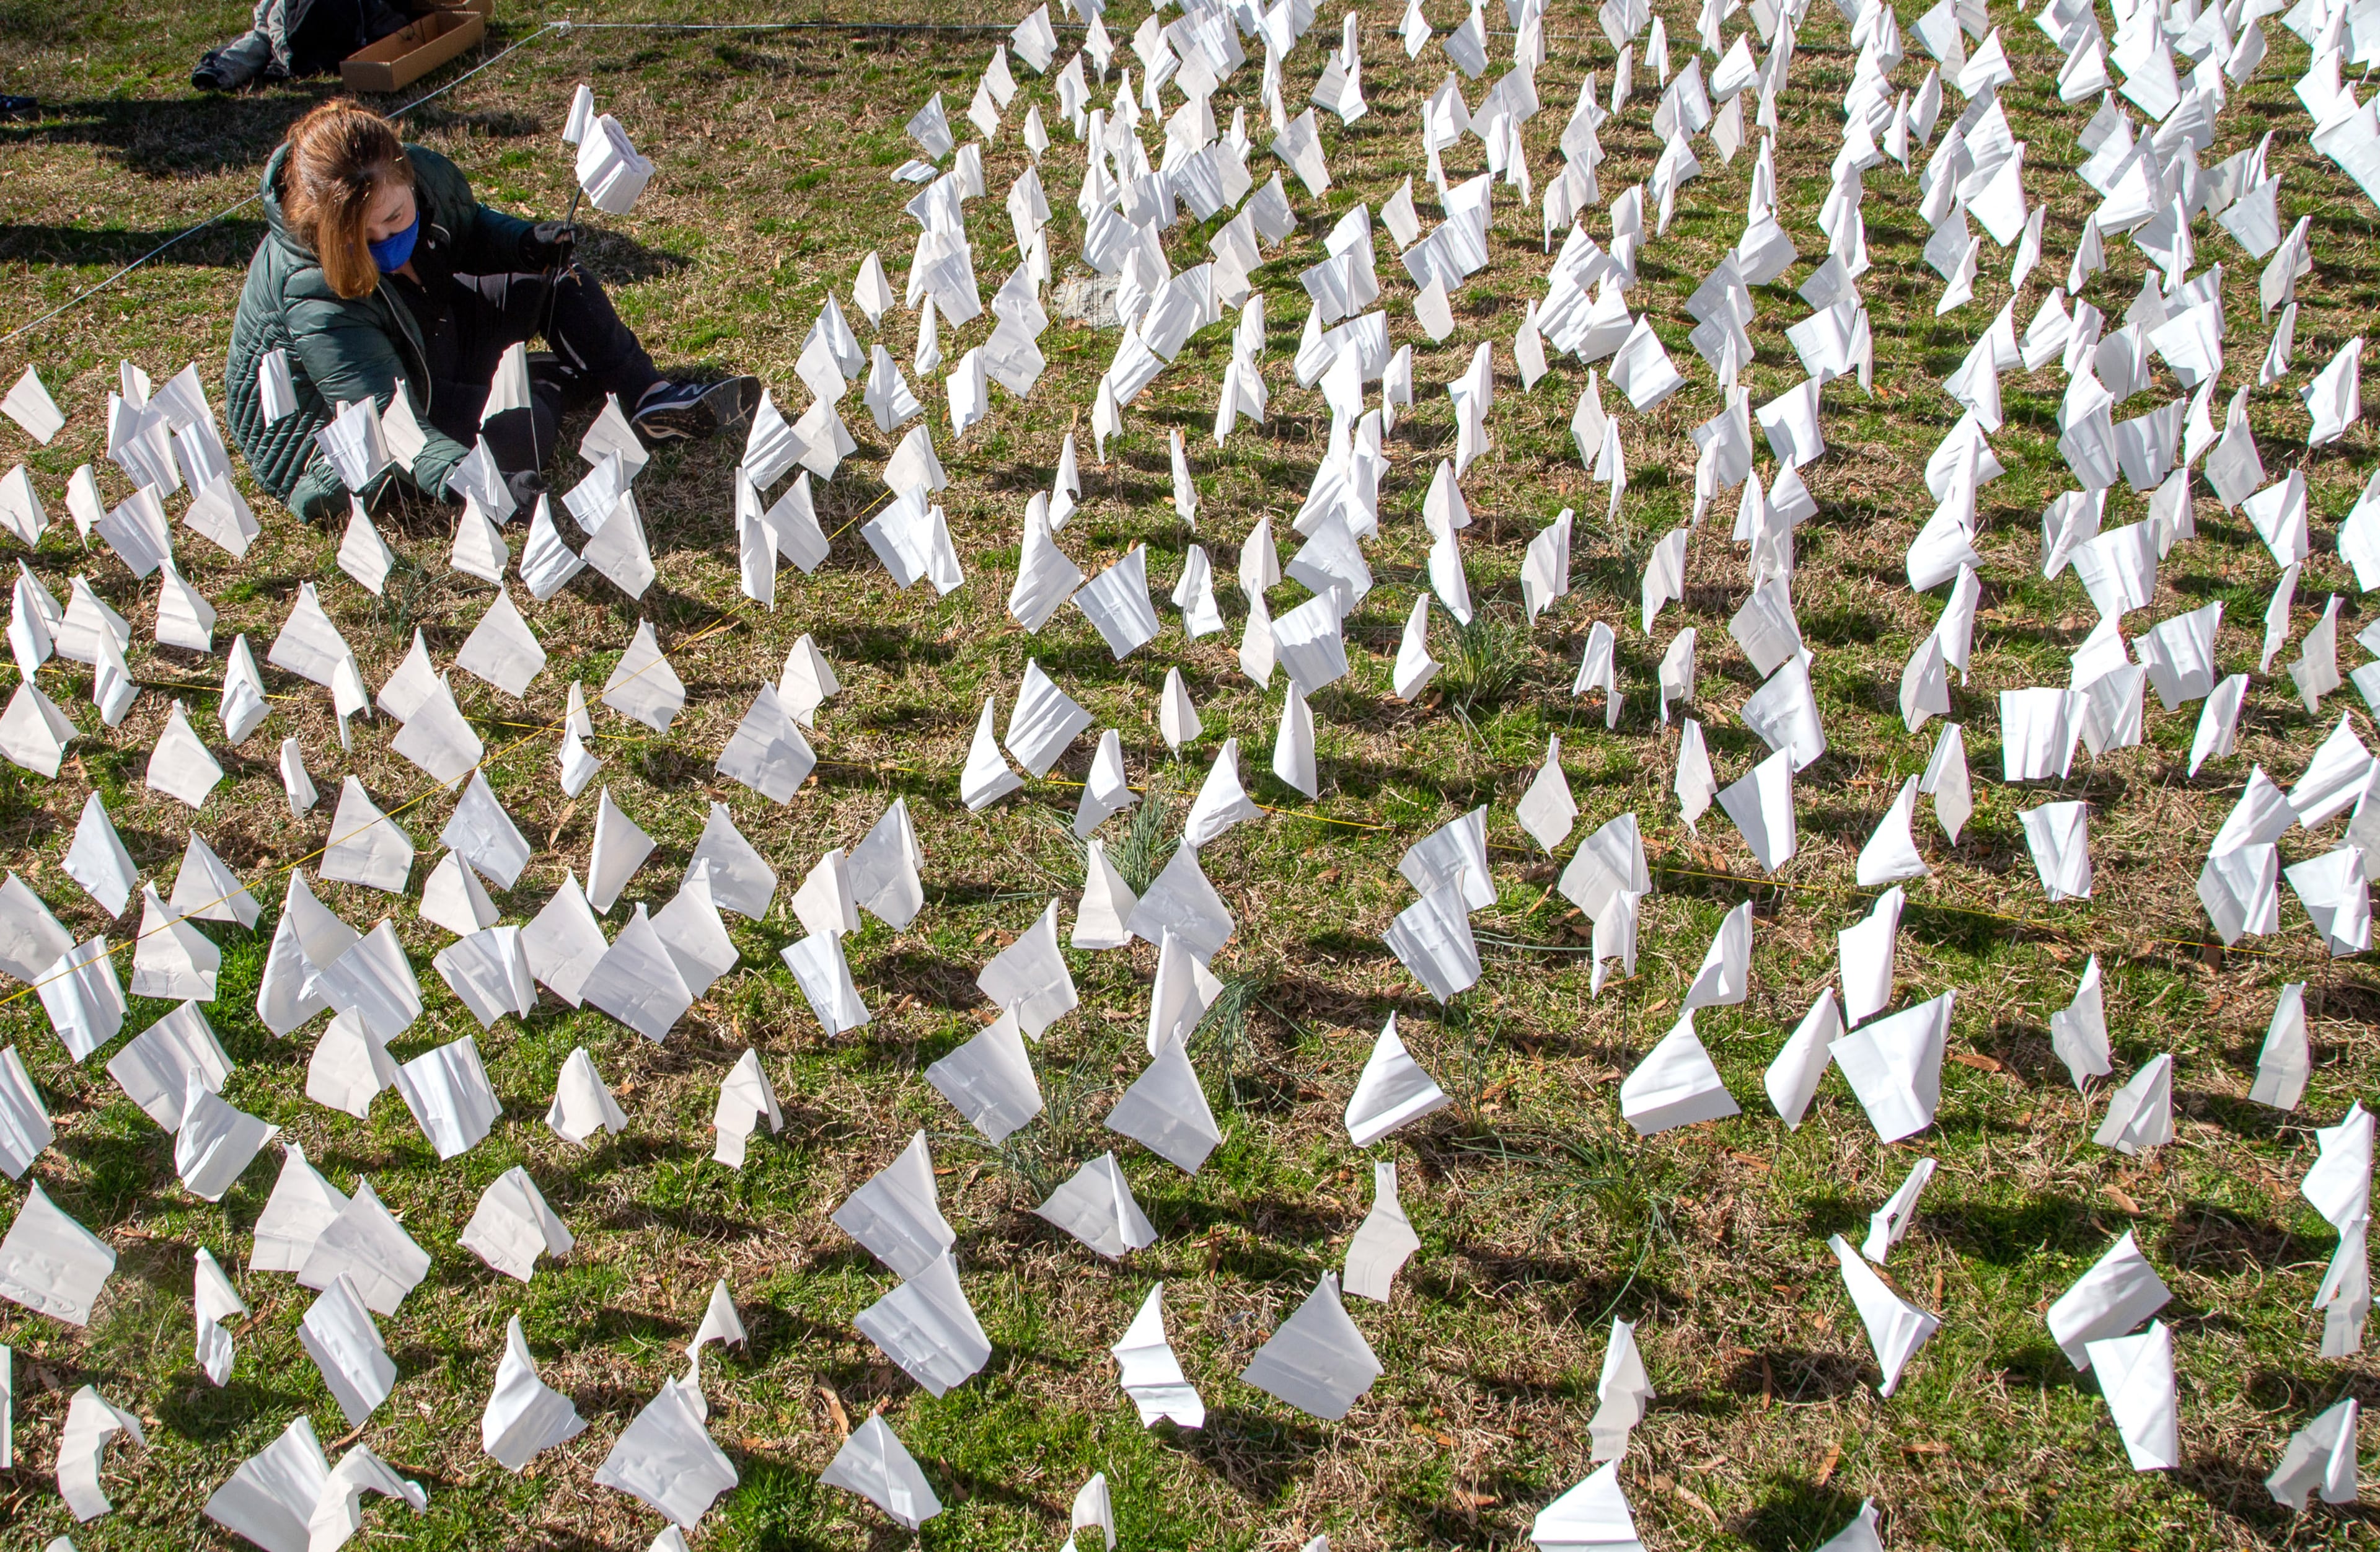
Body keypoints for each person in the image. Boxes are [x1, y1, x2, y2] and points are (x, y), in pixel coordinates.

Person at [224, 100, 758, 523]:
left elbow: (469, 227)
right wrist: (468, 481)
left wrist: (525, 243)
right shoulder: (312, 290)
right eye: (363, 238)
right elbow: (387, 422)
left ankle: (649, 398)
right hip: (344, 436)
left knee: (556, 285)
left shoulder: (425, 173)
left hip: (432, 334)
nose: (387, 240)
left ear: (407, 177)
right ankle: (552, 387)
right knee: (531, 408)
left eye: (394, 217)